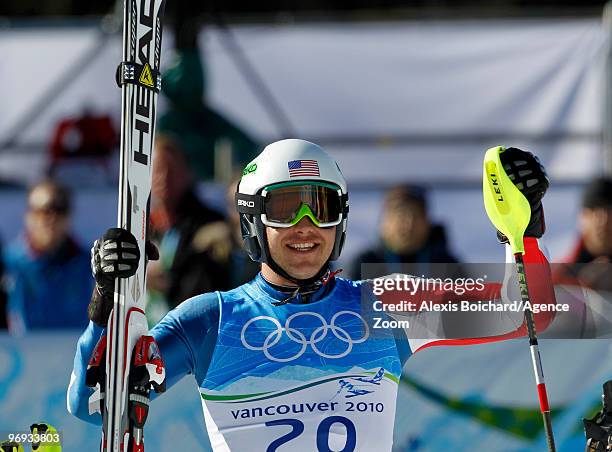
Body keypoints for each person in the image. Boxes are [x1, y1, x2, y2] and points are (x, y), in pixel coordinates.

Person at [67, 140, 555, 451]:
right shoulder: (211, 319)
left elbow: (525, 312)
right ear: (253, 222)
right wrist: (104, 304)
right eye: (286, 209)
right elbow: (95, 405)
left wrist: (523, 229)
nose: (306, 228)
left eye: (320, 207)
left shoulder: (381, 305)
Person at [145, 134, 234, 321]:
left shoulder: (210, 224)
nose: (164, 178)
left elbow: (208, 293)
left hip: (191, 335)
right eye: (158, 170)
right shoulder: (143, 226)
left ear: (187, 173)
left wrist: (165, 284)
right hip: (146, 335)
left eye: (172, 170)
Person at [3, 180, 92, 334]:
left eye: (59, 209)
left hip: (74, 354)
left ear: (69, 215)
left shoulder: (91, 265)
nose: (50, 218)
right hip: (21, 355)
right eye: (42, 211)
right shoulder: (7, 263)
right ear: (27, 215)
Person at [350, 184, 461, 279]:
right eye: (400, 215)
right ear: (383, 222)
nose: (408, 224)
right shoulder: (363, 263)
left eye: (416, 215)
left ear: (427, 222)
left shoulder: (448, 265)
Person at [557, 177, 612, 291]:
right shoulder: (557, 275)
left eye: (609, 210)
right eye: (594, 209)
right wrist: (584, 288)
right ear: (581, 217)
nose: (603, 220)